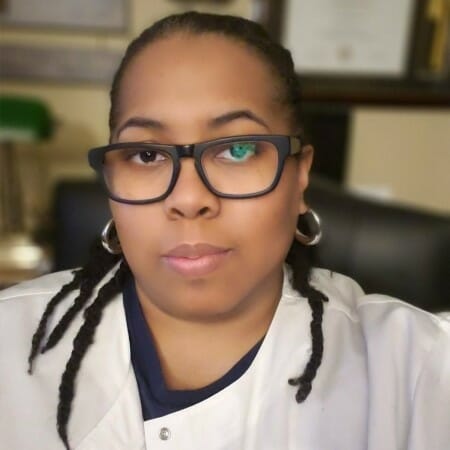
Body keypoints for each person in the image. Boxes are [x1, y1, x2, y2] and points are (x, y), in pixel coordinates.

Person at [0, 11, 449, 450]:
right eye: (147, 155)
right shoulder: (10, 341)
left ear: (300, 178)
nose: (190, 198)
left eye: (237, 149)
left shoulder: (417, 369)